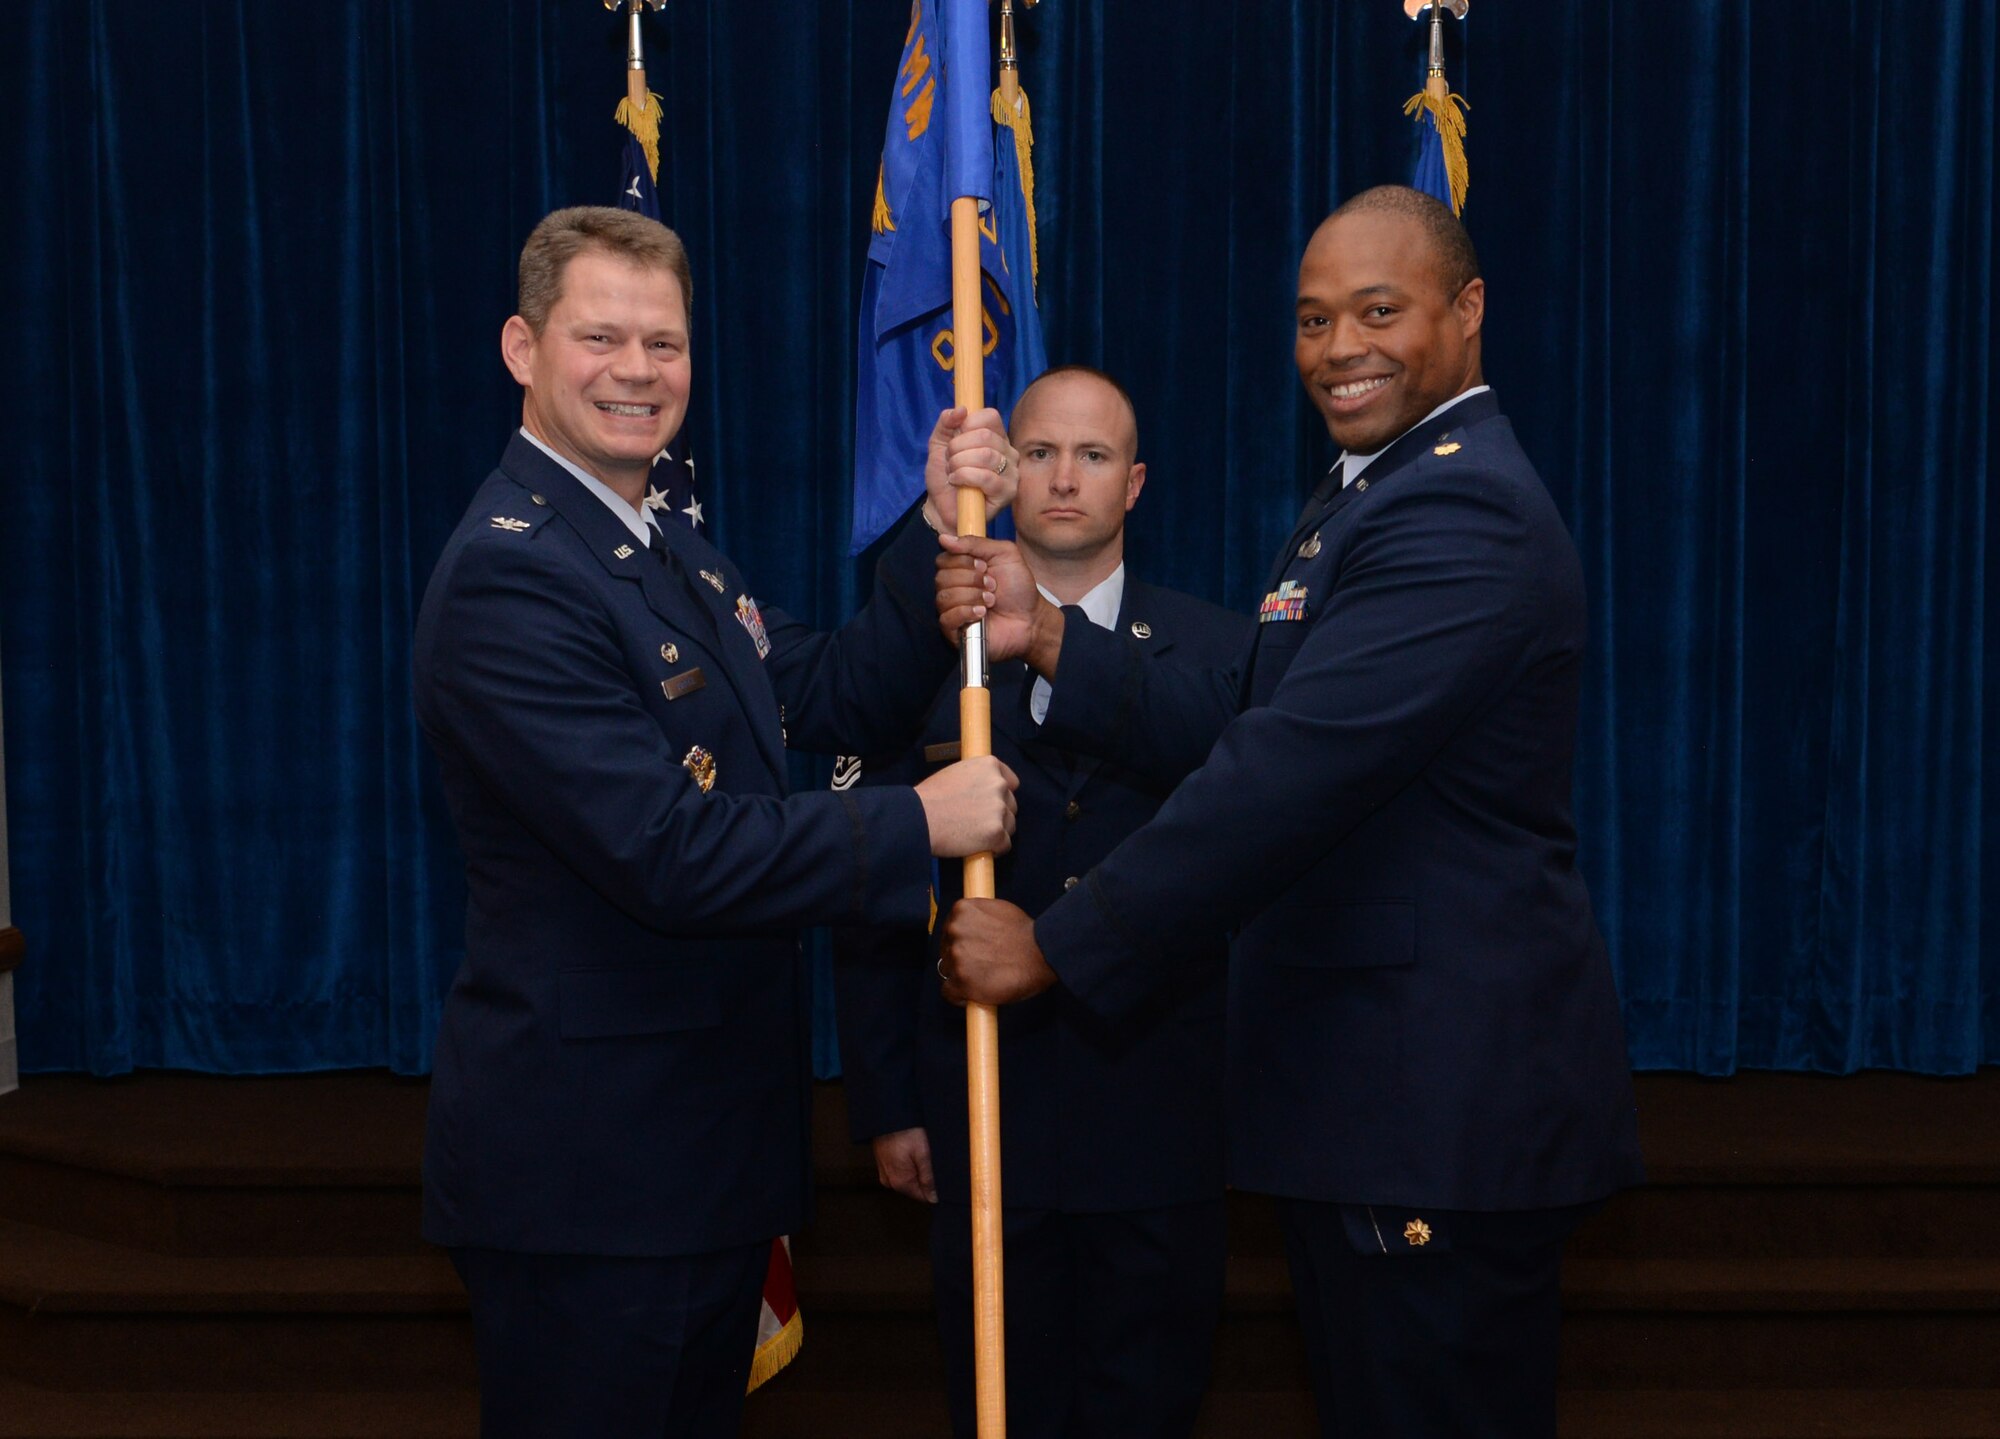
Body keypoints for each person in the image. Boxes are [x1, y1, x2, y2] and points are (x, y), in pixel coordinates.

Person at [932, 186, 1646, 1437]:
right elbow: (1237, 718)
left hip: (1428, 1113)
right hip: (1368, 1108)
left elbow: (1284, 772)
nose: (1338, 347)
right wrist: (1047, 636)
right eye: (1314, 319)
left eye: (1378, 311)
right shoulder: (1361, 499)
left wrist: (1055, 944)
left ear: (1466, 312)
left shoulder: (1456, 507)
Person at [411, 205, 1021, 1439]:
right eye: (601, 338)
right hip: (594, 1180)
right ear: (522, 349)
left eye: (664, 344)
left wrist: (929, 515)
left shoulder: (664, 545)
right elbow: (668, 852)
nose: (638, 371)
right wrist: (921, 819)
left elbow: (827, 690)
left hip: (699, 1162)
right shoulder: (513, 574)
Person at [834, 366, 1252, 1438]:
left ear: (1136, 483)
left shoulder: (1217, 651)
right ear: (1001, 469)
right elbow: (877, 888)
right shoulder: (921, 652)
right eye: (1037, 452)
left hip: (1157, 1107)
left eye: (1094, 455)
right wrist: (885, 1097)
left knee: (1149, 1405)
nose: (1063, 478)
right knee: (994, 1403)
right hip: (979, 1108)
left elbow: (1253, 846)